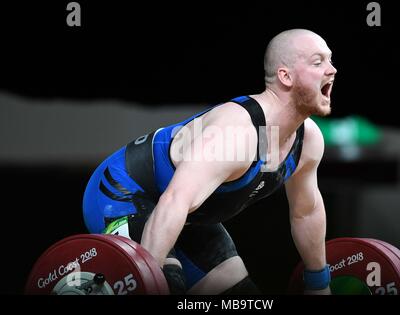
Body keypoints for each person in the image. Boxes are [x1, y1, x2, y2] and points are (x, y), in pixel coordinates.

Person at [82, 29, 337, 295]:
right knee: (168, 285)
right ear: (286, 76)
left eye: (330, 60)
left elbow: (305, 211)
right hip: (123, 193)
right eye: (318, 62)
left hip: (188, 214)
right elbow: (174, 201)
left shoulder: (306, 140)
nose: (332, 70)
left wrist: (319, 284)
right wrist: (149, 281)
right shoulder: (236, 132)